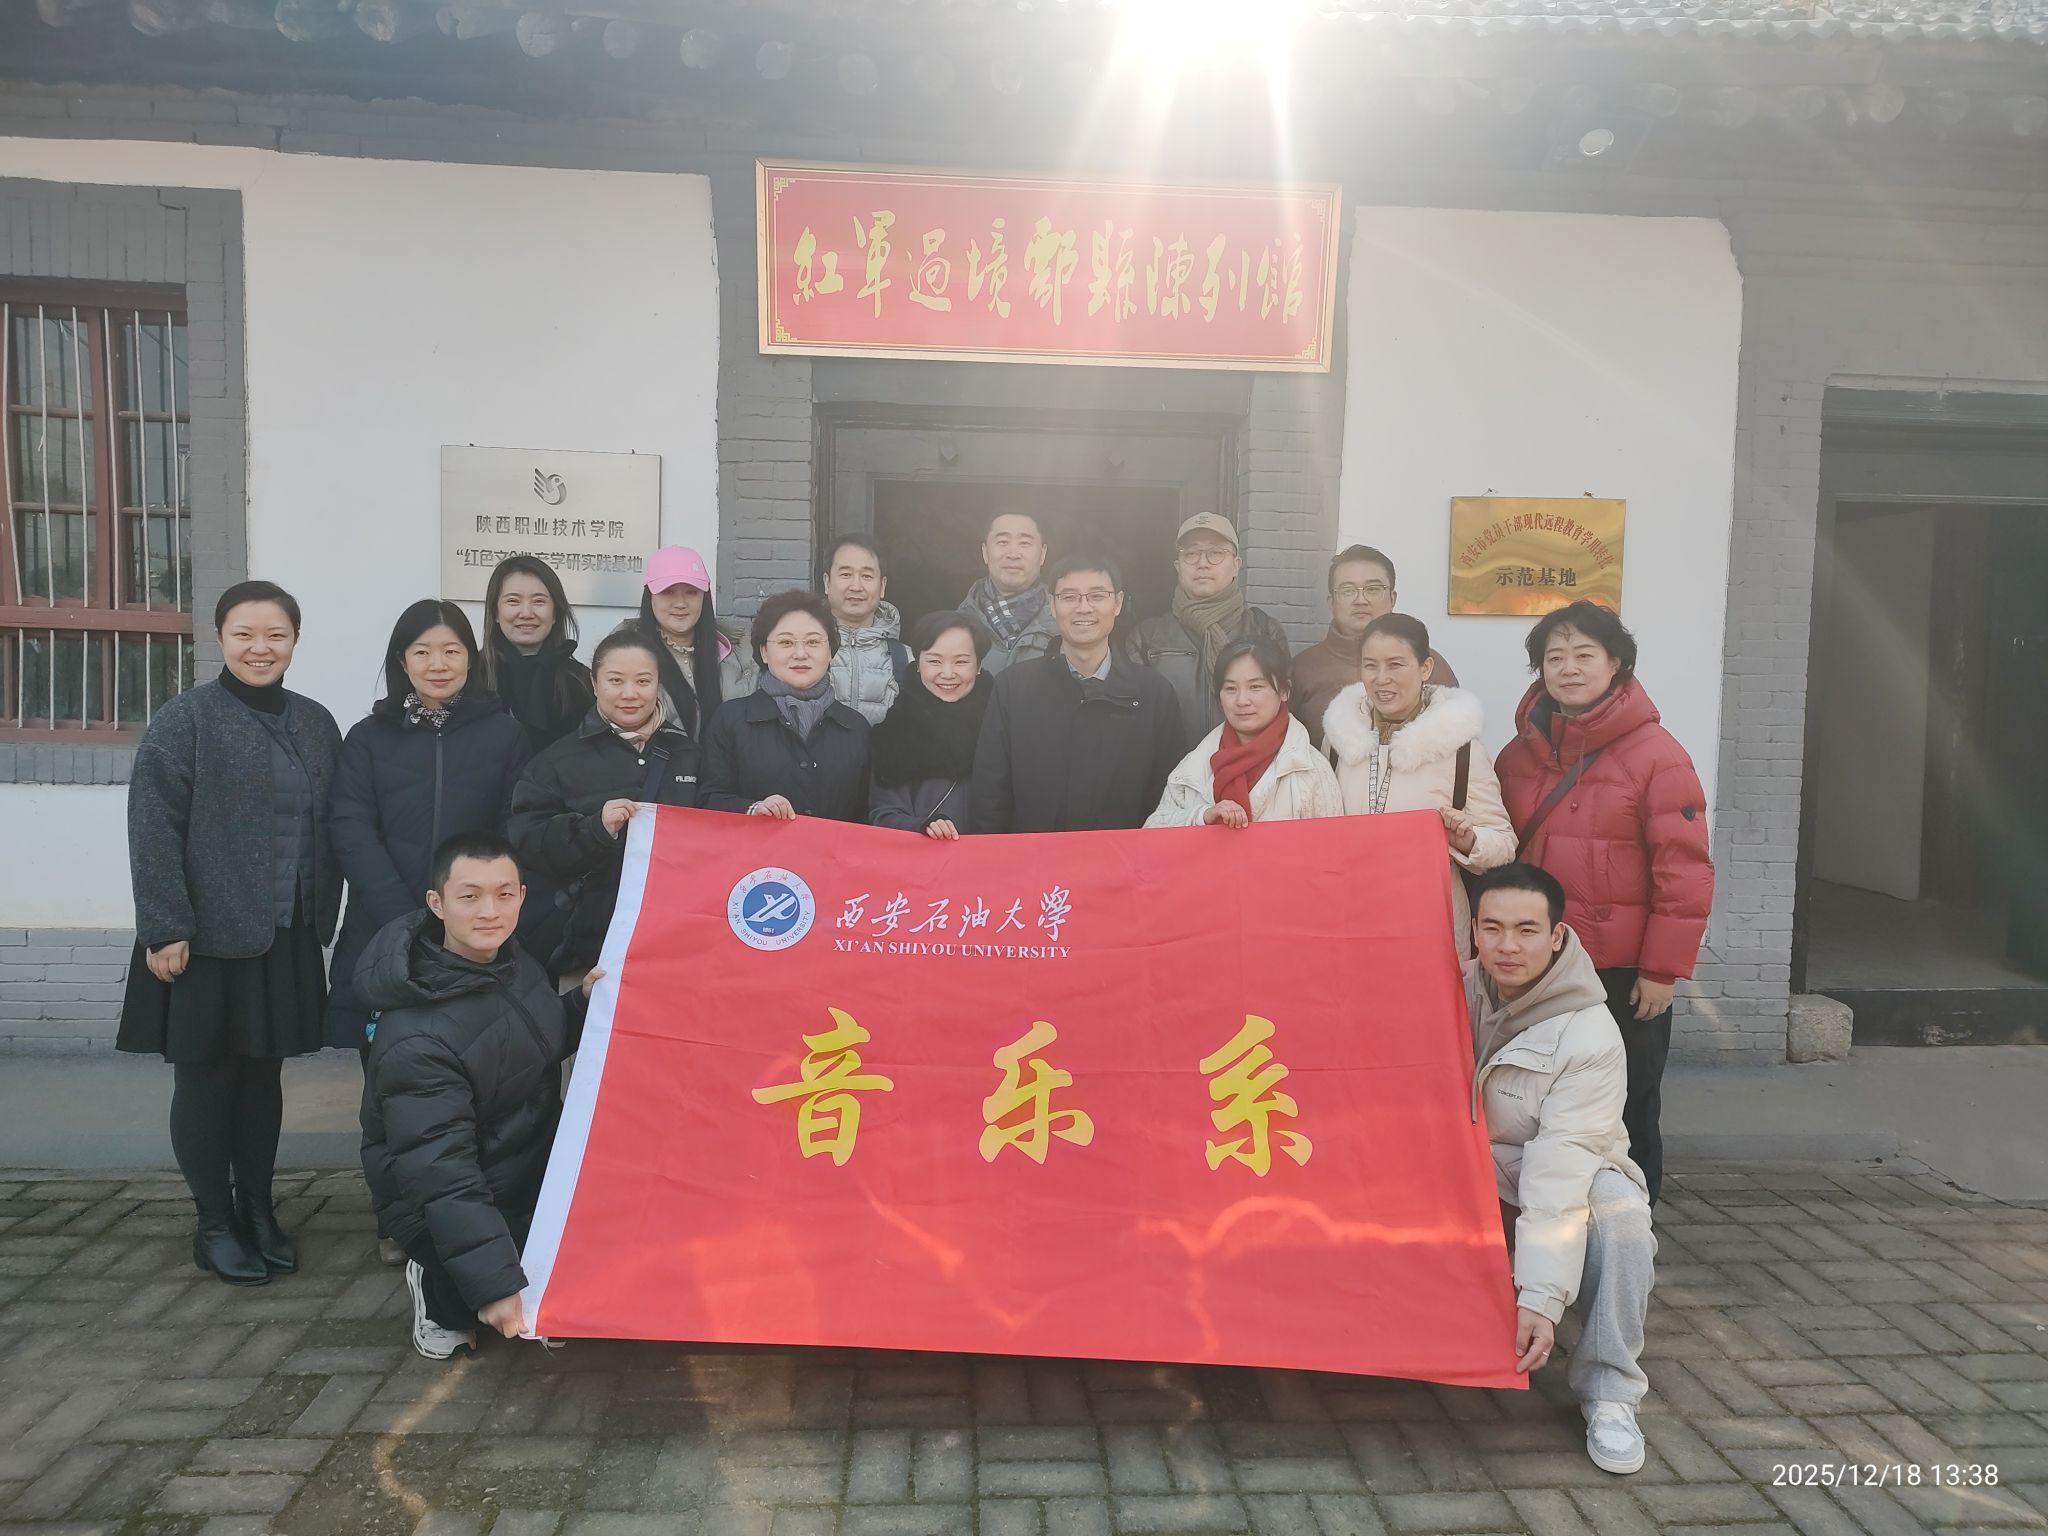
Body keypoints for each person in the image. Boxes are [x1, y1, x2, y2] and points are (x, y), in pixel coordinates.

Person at [119, 580, 342, 1287]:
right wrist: (165, 926)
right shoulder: (185, 719)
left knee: (261, 1080)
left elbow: (331, 822)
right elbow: (153, 825)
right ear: (220, 638)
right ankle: (213, 1223)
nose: (260, 648)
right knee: (207, 1080)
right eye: (245, 634)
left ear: (295, 641)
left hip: (284, 933)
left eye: (276, 634)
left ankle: (258, 1211)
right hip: (204, 938)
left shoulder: (316, 722)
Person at [1493, 600, 1712, 1205]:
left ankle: (1629, 1226)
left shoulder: (1657, 755)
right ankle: (1542, 1218)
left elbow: (1684, 870)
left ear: (1615, 663)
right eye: (1554, 657)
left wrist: (1661, 970)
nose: (1568, 668)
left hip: (1617, 971)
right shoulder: (1517, 756)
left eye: (1583, 655)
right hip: (1533, 964)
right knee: (1530, 1097)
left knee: (1627, 1100)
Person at [358, 831, 600, 1360]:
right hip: (439, 1191)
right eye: (469, 896)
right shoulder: (416, 1038)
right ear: (437, 903)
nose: (490, 911)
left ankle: (533, 1270)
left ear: (521, 896)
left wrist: (584, 1002)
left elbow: (535, 1037)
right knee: (477, 1287)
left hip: (523, 1159)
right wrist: (493, 1283)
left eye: (504, 893)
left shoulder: (512, 961)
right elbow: (440, 1172)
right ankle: (436, 1291)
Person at [1466, 863, 1655, 1477]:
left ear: (1556, 936)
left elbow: (1559, 1169)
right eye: (1492, 928)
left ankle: (1610, 1391)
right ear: (1474, 930)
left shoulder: (1589, 1031)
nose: (1508, 946)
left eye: (1526, 930)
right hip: (1467, 1160)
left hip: (1560, 1162)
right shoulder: (1451, 990)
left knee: (1621, 1224)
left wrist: (1541, 1298)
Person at [325, 599, 532, 1055]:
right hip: (383, 923)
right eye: (422, 652)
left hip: (474, 926)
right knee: (385, 1056)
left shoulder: (504, 735)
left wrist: (468, 907)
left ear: (470, 658)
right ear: (403, 661)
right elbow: (351, 828)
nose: (438, 664)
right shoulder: (368, 738)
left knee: (474, 1052)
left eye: (451, 651)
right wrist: (405, 916)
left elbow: (512, 824)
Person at [507, 629, 700, 981]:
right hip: (587, 951)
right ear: (594, 684)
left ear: (658, 684)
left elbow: (716, 831)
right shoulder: (557, 760)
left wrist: (755, 810)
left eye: (643, 681)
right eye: (615, 680)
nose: (630, 693)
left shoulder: (688, 754)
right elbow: (528, 841)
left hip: (673, 944)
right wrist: (594, 829)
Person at [1323, 614, 1515, 944]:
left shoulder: (1459, 747)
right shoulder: (1340, 740)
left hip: (1429, 923)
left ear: (1425, 668)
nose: (1381, 679)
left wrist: (1468, 841)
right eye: (1370, 666)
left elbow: (1504, 842)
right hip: (1350, 915)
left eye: (1395, 665)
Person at [971, 553, 1186, 833]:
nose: (1084, 608)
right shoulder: (1013, 687)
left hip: (1122, 857)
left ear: (1118, 603)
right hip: (1035, 858)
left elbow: (1168, 799)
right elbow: (990, 795)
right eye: (1070, 597)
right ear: (1052, 604)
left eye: (1097, 596)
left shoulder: (1153, 694)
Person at [701, 590, 872, 822]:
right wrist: (752, 809)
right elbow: (709, 799)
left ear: (830, 651)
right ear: (764, 651)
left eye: (813, 642)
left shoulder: (856, 728)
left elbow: (868, 814)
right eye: (786, 642)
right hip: (755, 846)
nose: (800, 654)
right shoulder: (731, 720)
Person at [1145, 638, 1343, 828]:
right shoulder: (1193, 767)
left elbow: (1332, 845)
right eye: (1231, 688)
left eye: (1255, 687)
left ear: (1284, 691)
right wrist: (1201, 816)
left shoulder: (1312, 770)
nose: (1241, 700)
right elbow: (1153, 834)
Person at [1124, 513, 1289, 737]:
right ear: (1178, 566)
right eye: (1191, 554)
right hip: (1171, 759)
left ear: (1236, 565)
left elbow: (1282, 714)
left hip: (1248, 758)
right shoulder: (1147, 637)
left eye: (1216, 553)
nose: (1202, 563)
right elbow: (1136, 719)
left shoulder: (1265, 631)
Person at [1293, 545, 1459, 749]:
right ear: (1331, 602)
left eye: (1372, 589)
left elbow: (1455, 743)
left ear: (1392, 598)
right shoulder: (1302, 669)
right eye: (1348, 591)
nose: (1360, 600)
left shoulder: (1425, 663)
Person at [870, 610, 995, 839]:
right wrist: (922, 826)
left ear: (978, 666)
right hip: (922, 858)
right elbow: (883, 814)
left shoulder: (1000, 726)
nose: (947, 674)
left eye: (961, 662)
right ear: (918, 663)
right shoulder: (896, 730)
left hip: (989, 857)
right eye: (935, 661)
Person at [477, 555, 594, 751]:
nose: (526, 613)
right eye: (513, 601)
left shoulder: (581, 682)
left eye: (539, 601)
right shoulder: (472, 676)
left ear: (555, 613)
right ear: (495, 612)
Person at [638, 544, 754, 737]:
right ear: (649, 596)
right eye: (668, 592)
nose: (680, 603)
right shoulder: (624, 657)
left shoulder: (743, 655)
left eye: (691, 592)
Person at [821, 534, 907, 725]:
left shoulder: (908, 659)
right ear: (827, 582)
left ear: (882, 586)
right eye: (846, 574)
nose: (856, 586)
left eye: (867, 576)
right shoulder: (800, 653)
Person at [960, 509, 1059, 674]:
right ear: (985, 552)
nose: (1013, 554)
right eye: (1003, 542)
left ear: (1042, 554)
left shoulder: (1066, 621)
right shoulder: (957, 623)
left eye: (1024, 543)